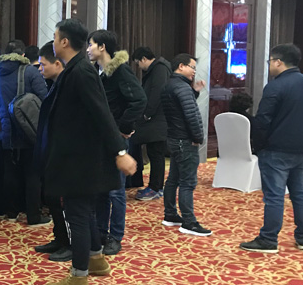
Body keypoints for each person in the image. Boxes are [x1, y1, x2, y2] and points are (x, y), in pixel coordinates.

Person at [36, 19, 137, 285]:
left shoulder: (81, 72)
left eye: (55, 37)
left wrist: (120, 152)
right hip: (78, 158)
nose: (53, 42)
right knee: (84, 212)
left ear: (64, 42)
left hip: (79, 161)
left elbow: (101, 113)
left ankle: (78, 278)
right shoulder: (77, 68)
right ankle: (96, 259)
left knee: (77, 215)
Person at [241, 44, 303, 253]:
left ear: (278, 62)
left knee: (274, 196)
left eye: (270, 61)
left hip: (276, 149)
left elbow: (263, 120)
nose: (269, 65)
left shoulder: (275, 86)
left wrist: (258, 146)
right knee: (300, 193)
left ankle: (268, 239)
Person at [87, 30, 146, 256]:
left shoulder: (120, 71)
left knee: (115, 191)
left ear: (102, 47)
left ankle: (116, 236)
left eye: (91, 44)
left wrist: (123, 127)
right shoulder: (99, 72)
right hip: (100, 138)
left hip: (116, 139)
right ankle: (101, 232)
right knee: (102, 189)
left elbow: (139, 100)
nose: (88, 49)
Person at [0, 39, 49, 225]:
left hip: (8, 133)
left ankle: (12, 213)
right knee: (33, 175)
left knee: (11, 173)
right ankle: (34, 215)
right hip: (30, 132)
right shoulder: (30, 71)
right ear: (23, 55)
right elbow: (45, 101)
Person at [161, 53, 212, 236]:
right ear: (181, 66)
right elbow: (190, 115)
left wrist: (195, 92)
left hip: (174, 138)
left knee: (173, 179)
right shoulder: (182, 87)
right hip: (185, 140)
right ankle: (189, 222)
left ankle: (170, 215)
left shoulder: (171, 84)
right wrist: (198, 137)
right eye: (192, 67)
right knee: (187, 183)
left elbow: (180, 108)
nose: (194, 72)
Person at [34, 41, 71, 261]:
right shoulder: (53, 85)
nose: (40, 69)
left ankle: (70, 243)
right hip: (50, 153)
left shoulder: (68, 87)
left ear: (57, 64)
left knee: (65, 204)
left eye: (43, 64)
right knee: (52, 200)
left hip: (63, 156)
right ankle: (60, 238)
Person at [131, 47, 172, 201]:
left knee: (156, 154)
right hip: (157, 121)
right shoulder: (159, 68)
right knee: (155, 154)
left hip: (157, 120)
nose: (139, 67)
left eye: (138, 63)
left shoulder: (159, 69)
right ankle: (156, 187)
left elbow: (157, 93)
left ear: (144, 59)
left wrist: (147, 114)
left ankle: (155, 188)